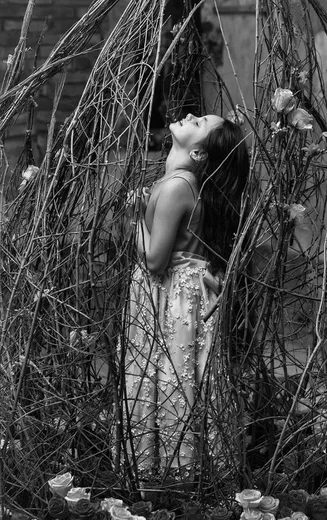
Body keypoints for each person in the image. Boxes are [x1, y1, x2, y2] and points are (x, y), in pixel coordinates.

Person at [122, 112, 249, 483]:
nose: (190, 115)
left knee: (167, 374)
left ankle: (166, 474)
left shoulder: (177, 185)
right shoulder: (183, 183)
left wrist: (134, 219)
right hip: (184, 292)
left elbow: (155, 260)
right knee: (182, 374)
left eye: (198, 123)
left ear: (197, 154)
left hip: (170, 291)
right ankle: (190, 471)